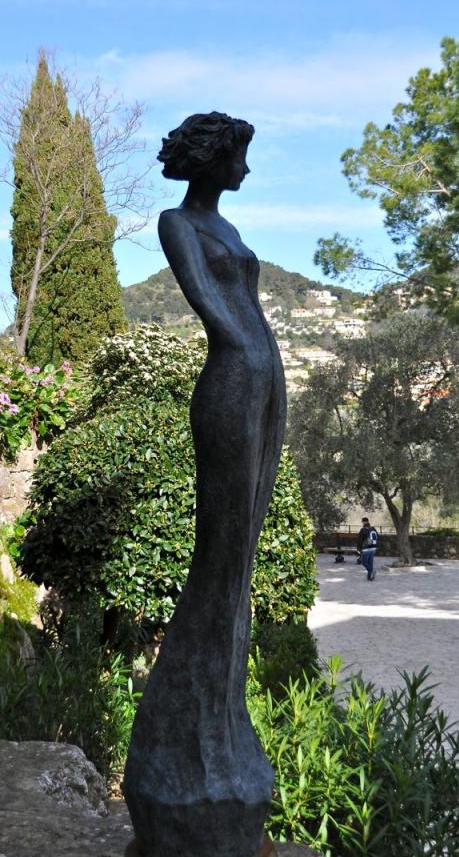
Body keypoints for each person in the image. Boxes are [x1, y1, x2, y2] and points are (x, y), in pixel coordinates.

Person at [124, 112, 286, 857]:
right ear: (211, 158)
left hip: (260, 384)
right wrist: (258, 368)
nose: (245, 173)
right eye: (239, 158)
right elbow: (219, 315)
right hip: (228, 386)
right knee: (220, 560)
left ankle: (221, 734)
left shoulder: (231, 228)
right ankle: (190, 748)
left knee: (240, 561)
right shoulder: (176, 222)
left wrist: (274, 380)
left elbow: (249, 315)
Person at [357, 516, 378, 581]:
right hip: (373, 548)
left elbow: (359, 540)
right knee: (370, 562)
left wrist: (358, 549)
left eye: (362, 522)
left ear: (363, 522)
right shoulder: (373, 529)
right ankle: (370, 577)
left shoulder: (363, 530)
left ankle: (371, 571)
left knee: (363, 562)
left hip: (366, 549)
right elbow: (377, 537)